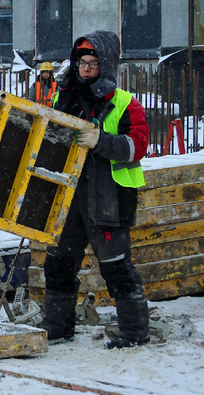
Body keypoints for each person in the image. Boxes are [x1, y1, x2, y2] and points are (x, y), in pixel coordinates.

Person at [41, 31, 151, 349]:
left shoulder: (125, 103)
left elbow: (138, 146)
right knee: (58, 262)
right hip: (71, 194)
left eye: (93, 63)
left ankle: (134, 331)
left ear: (106, 65)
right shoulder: (64, 99)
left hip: (110, 197)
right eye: (82, 63)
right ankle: (58, 325)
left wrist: (100, 142)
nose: (86, 69)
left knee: (115, 266)